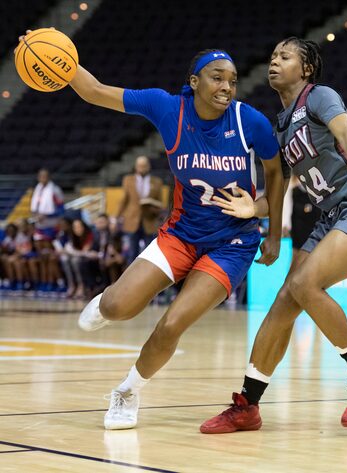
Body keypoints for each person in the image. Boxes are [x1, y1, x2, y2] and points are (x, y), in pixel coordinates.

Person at [27, 40, 287, 430]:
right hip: (180, 234)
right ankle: (107, 303)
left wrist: (269, 224)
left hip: (233, 243)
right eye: (217, 78)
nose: (226, 87)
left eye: (232, 81)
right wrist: (51, 53)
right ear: (194, 81)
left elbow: (276, 173)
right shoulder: (167, 107)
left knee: (171, 323)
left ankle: (128, 392)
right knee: (118, 307)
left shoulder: (249, 121)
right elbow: (95, 90)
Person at [201, 37, 347, 434]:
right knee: (285, 300)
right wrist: (257, 210)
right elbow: (281, 188)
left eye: (284, 56)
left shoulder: (319, 96)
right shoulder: (280, 125)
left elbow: (344, 128)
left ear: (306, 69)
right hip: (334, 214)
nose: (273, 61)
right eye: (272, 56)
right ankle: (248, 405)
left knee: (304, 283)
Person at [116, 156, 164, 265]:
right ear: (136, 167)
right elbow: (124, 200)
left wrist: (154, 208)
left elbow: (160, 203)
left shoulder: (157, 182)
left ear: (148, 166)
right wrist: (116, 217)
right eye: (140, 166)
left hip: (149, 221)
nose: (142, 168)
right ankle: (130, 280)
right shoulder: (128, 180)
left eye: (144, 166)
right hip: (132, 221)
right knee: (132, 252)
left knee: (149, 254)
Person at [30, 168, 64, 293]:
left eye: (44, 176)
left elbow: (61, 209)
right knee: (42, 257)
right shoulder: (37, 189)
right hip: (39, 227)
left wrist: (47, 216)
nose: (42, 178)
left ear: (49, 177)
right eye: (40, 176)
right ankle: (44, 281)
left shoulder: (55, 190)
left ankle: (54, 282)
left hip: (52, 227)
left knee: (51, 258)